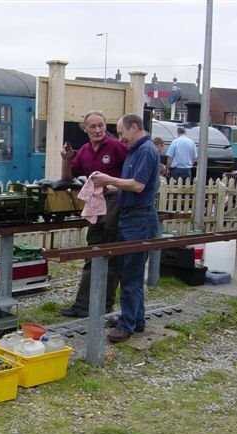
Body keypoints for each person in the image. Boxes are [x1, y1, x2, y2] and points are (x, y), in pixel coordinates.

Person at [92, 113, 160, 343]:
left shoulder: (146, 150)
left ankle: (127, 325)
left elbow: (138, 185)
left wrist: (109, 180)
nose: (120, 139)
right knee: (129, 272)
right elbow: (130, 185)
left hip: (139, 220)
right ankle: (135, 318)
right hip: (130, 217)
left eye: (122, 133)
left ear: (134, 127)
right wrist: (112, 190)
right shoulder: (134, 150)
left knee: (131, 274)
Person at [59, 110, 128, 317]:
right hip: (95, 204)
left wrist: (117, 187)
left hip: (115, 202)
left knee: (110, 254)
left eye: (101, 125)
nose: (98, 130)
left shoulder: (116, 147)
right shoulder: (85, 151)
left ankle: (104, 304)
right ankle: (82, 305)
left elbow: (131, 175)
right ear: (85, 128)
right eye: (93, 126)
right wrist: (66, 159)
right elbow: (67, 177)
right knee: (93, 252)